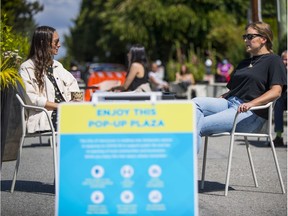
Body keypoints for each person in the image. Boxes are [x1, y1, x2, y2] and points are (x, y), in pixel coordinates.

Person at [192, 21, 287, 152]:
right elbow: (235, 90)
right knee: (194, 103)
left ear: (263, 39)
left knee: (195, 126)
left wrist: (252, 103)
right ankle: (185, 164)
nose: (246, 40)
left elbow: (276, 91)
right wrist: (223, 96)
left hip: (250, 113)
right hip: (230, 103)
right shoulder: (244, 63)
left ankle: (187, 168)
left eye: (250, 37)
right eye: (245, 37)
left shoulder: (274, 61)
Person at [19, 26, 80, 132]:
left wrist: (76, 102)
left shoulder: (58, 66)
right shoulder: (26, 68)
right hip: (46, 116)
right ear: (44, 43)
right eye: (56, 42)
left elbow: (73, 85)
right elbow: (31, 99)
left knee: (93, 118)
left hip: (67, 112)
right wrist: (60, 106)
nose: (59, 45)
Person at [272, 50, 287, 146]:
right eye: (285, 59)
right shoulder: (278, 71)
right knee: (277, 103)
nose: (287, 62)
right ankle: (278, 136)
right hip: (282, 98)